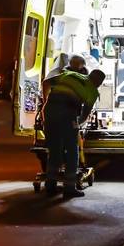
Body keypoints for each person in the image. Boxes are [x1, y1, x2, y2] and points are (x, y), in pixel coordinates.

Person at [43, 69, 106, 198]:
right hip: (67, 115)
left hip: (50, 112)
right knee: (72, 151)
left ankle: (50, 186)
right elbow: (84, 116)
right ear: (99, 82)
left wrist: (45, 102)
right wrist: (77, 124)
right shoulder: (92, 91)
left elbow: (46, 83)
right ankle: (69, 188)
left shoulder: (70, 74)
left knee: (54, 150)